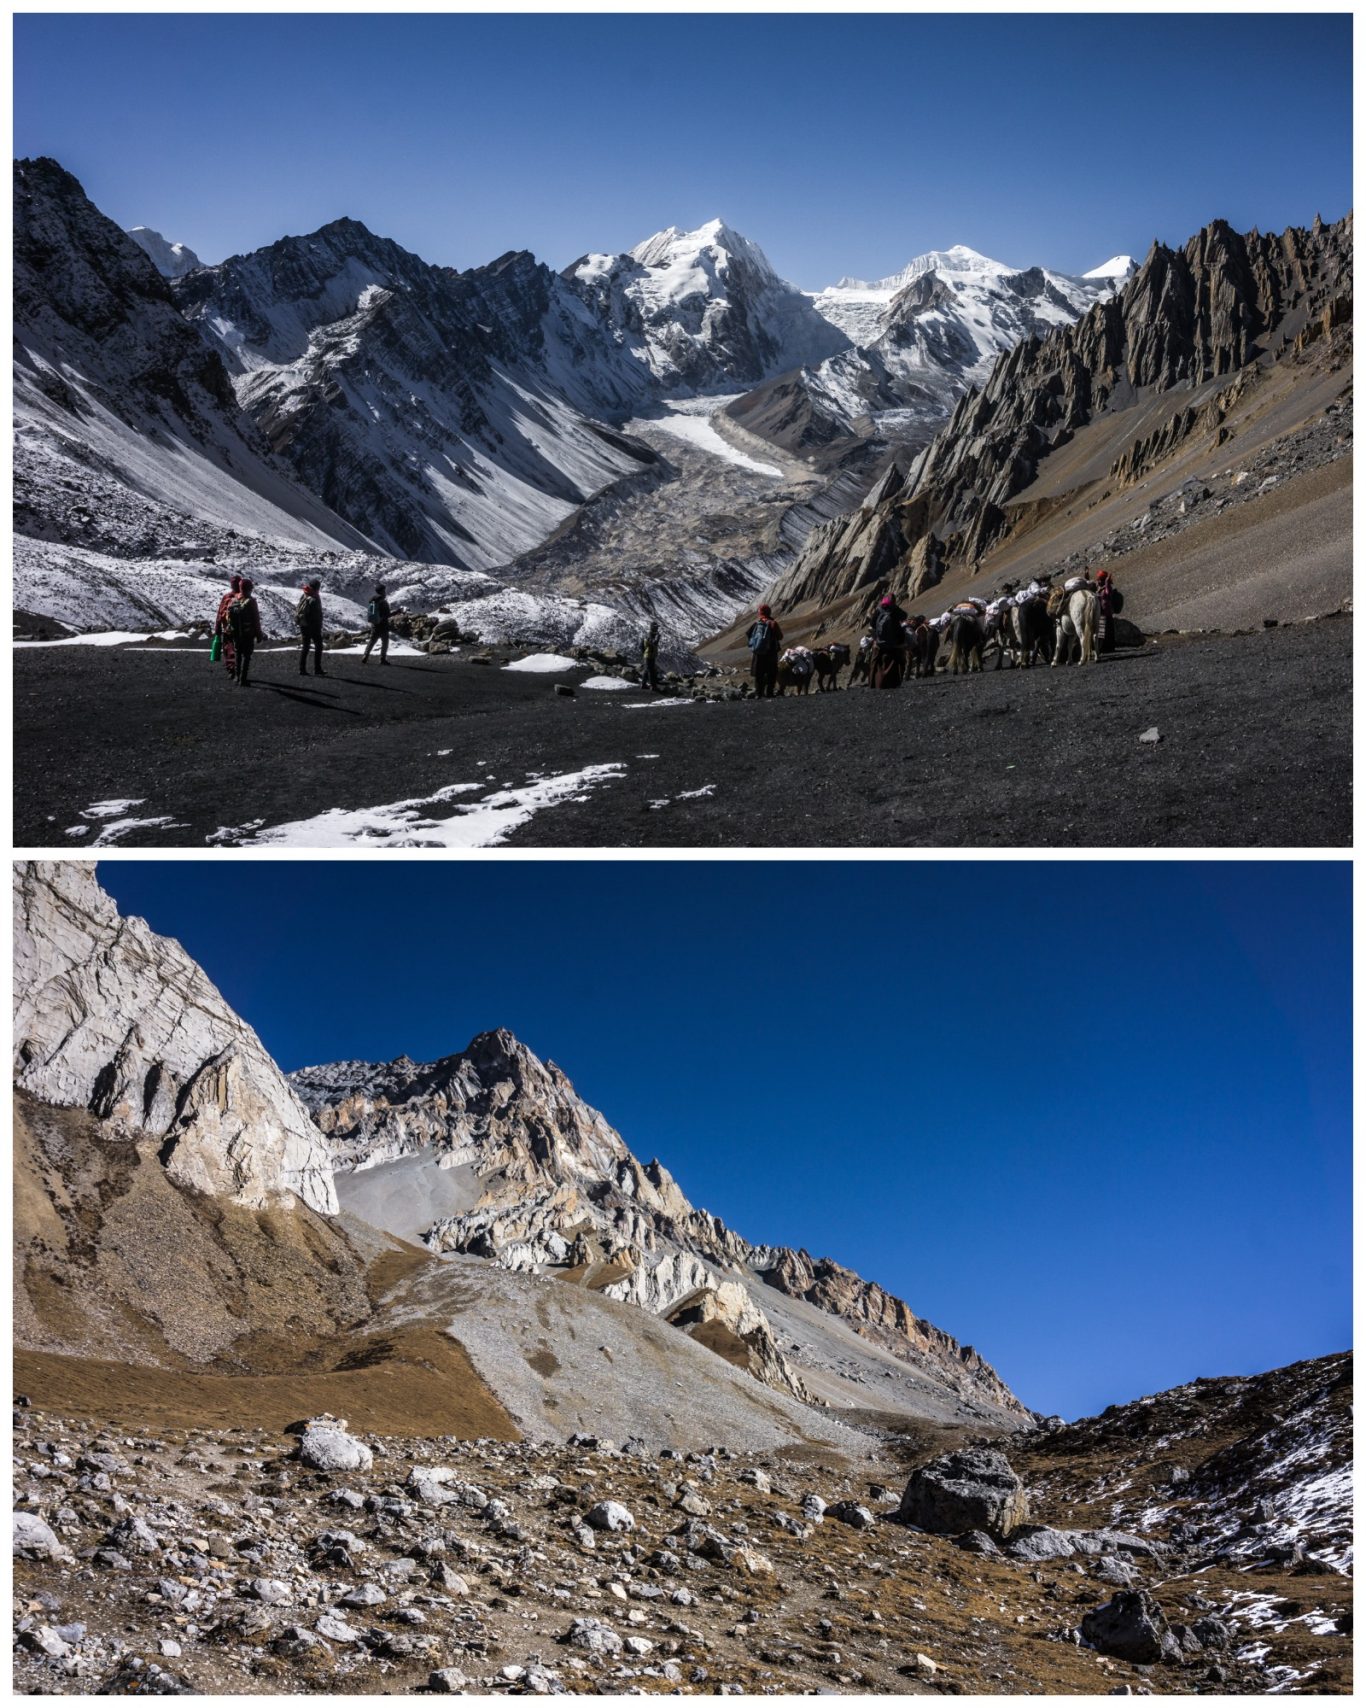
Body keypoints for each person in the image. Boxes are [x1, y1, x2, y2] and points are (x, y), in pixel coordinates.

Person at [228, 578, 264, 686]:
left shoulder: (234, 600)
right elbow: (256, 620)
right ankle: (243, 679)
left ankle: (237, 677)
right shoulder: (251, 601)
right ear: (249, 589)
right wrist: (259, 635)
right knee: (247, 656)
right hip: (248, 633)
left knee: (238, 654)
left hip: (236, 633)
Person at [869, 594, 907, 689]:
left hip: (879, 642)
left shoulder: (878, 609)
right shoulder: (895, 609)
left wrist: (876, 638)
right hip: (894, 643)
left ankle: (871, 684)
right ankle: (895, 683)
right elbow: (904, 616)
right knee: (898, 659)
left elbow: (872, 624)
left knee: (874, 661)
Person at [746, 603, 782, 698]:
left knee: (759, 674)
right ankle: (769, 693)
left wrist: (756, 643)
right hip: (771, 653)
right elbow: (780, 636)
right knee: (771, 673)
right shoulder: (773, 623)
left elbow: (748, 634)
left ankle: (758, 694)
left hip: (758, 653)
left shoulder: (756, 624)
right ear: (769, 612)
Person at [214, 574, 242, 680]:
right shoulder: (242, 597)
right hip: (238, 629)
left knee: (228, 649)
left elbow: (220, 613)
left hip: (228, 629)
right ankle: (236, 670)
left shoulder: (227, 597)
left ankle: (232, 670)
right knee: (234, 650)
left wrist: (218, 627)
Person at [296, 579, 325, 676]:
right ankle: (317, 668)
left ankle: (302, 669)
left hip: (304, 625)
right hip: (314, 627)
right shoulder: (315, 597)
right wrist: (318, 625)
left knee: (306, 647)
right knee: (319, 646)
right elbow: (316, 615)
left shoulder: (305, 595)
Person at [363, 583, 392, 664]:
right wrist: (397, 612)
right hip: (383, 625)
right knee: (385, 642)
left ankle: (365, 655)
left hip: (375, 624)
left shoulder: (372, 601)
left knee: (372, 641)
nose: (385, 592)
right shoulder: (383, 602)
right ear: (382, 591)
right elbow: (387, 615)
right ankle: (382, 659)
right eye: (384, 591)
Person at [1095, 568, 1119, 653]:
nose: (1098, 581)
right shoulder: (1098, 588)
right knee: (1101, 632)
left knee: (1105, 632)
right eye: (1098, 580)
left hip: (1106, 613)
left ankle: (1106, 648)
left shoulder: (1107, 588)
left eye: (1099, 580)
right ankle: (1101, 648)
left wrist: (1106, 582)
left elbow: (1108, 593)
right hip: (1100, 612)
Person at [640, 621, 661, 690]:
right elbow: (654, 643)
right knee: (651, 671)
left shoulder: (648, 635)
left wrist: (644, 653)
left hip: (648, 655)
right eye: (656, 628)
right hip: (649, 656)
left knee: (647, 670)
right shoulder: (650, 635)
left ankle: (643, 684)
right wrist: (658, 637)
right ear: (653, 628)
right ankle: (653, 686)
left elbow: (641, 646)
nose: (657, 629)